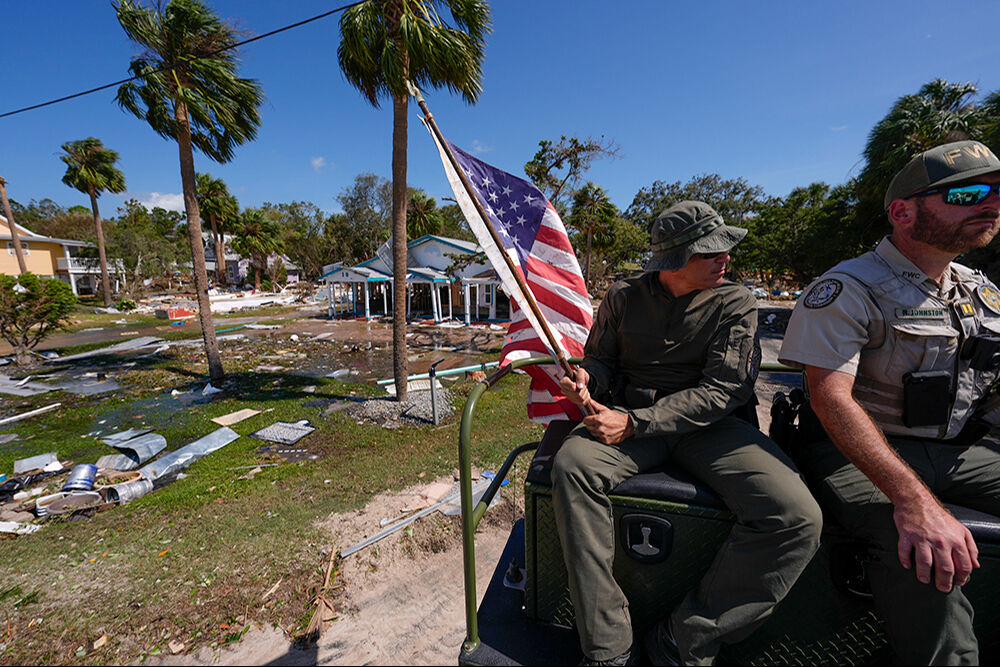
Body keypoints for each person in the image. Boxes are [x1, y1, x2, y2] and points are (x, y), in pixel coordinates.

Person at [553, 201, 822, 666]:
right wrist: (586, 379)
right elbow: (601, 359)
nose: (725, 258)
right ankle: (607, 647)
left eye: (724, 249)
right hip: (631, 418)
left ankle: (685, 638)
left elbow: (723, 390)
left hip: (708, 428)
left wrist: (635, 423)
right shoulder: (623, 296)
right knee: (572, 467)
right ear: (675, 259)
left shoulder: (735, 302)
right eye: (711, 252)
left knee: (797, 516)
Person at [779, 139, 1000, 664]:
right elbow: (830, 398)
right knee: (924, 550)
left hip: (960, 450)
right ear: (903, 213)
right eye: (967, 193)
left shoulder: (978, 289)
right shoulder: (848, 287)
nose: (990, 203)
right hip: (856, 451)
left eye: (997, 192)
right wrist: (914, 501)